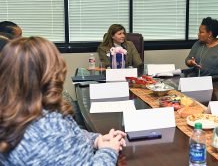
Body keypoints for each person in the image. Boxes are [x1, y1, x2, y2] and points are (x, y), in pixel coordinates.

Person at [0, 37, 126, 165]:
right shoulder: (49, 129)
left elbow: (72, 135)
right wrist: (109, 150)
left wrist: (96, 139)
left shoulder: (15, 110)